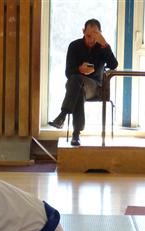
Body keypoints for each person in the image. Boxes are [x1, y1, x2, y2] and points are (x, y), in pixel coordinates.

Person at [48, 19, 118, 147]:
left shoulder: (103, 47)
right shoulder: (74, 46)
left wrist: (104, 44)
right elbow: (68, 72)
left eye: (95, 35)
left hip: (95, 87)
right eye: (88, 35)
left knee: (77, 83)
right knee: (77, 83)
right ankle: (76, 134)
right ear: (83, 31)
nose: (91, 39)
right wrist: (80, 70)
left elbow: (114, 65)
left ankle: (63, 116)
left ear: (100, 34)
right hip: (75, 84)